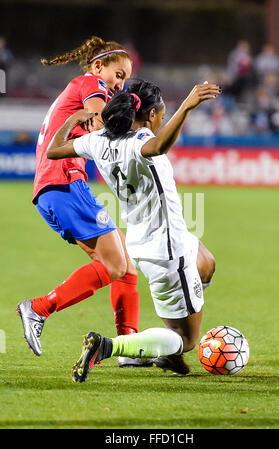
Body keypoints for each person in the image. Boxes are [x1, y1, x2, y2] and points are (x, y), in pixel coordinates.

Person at [46, 80, 220, 382]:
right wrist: (188, 106)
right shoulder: (141, 142)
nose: (164, 116)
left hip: (143, 243)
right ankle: (110, 347)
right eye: (163, 112)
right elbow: (158, 146)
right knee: (186, 340)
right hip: (167, 252)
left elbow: (53, 150)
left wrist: (72, 120)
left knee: (206, 261)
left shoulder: (99, 139)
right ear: (151, 114)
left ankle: (175, 328)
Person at [17, 36, 152, 368]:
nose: (120, 84)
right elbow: (95, 115)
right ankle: (38, 308)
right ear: (98, 66)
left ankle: (127, 347)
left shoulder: (81, 87)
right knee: (116, 265)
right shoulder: (90, 84)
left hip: (56, 187)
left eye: (124, 79)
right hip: (64, 182)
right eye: (118, 75)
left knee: (124, 266)